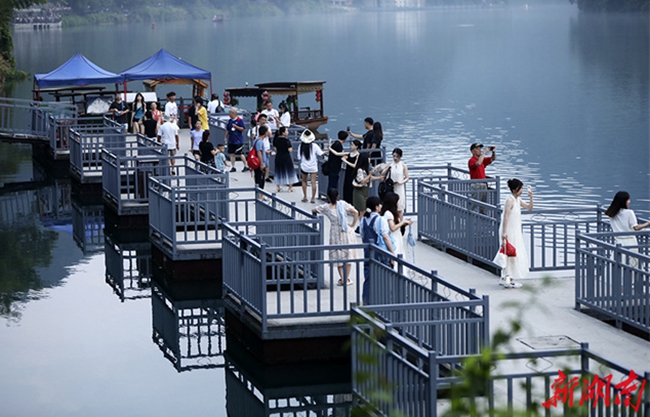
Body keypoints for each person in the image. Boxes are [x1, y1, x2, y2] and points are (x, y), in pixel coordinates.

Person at [312, 188, 359, 286]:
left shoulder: (326, 207)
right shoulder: (343, 204)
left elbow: (314, 209)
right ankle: (346, 279)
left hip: (334, 232)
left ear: (328, 197)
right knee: (348, 255)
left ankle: (342, 278)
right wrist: (353, 224)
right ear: (338, 196)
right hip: (346, 230)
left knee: (339, 255)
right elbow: (356, 212)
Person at [495, 178, 534, 288]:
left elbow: (529, 208)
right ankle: (508, 279)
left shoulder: (518, 200)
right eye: (520, 188)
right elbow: (506, 217)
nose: (522, 190)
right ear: (516, 189)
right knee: (509, 254)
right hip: (509, 231)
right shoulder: (510, 200)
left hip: (515, 231)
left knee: (512, 254)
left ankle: (507, 279)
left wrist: (531, 197)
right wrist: (504, 232)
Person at [360, 196, 395, 305]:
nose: (381, 206)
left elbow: (362, 236)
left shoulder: (364, 220)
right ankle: (383, 301)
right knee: (383, 277)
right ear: (376, 206)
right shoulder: (380, 220)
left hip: (368, 251)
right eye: (379, 204)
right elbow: (386, 237)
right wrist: (392, 253)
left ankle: (366, 302)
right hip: (380, 252)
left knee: (368, 278)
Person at [604, 191, 650, 267]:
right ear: (623, 201)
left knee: (617, 263)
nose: (629, 202)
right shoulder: (629, 212)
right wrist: (648, 223)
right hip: (630, 241)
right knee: (632, 264)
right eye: (628, 200)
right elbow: (636, 227)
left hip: (618, 241)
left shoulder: (612, 213)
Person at [381, 192, 412, 260]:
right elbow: (392, 228)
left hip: (397, 236)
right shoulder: (388, 213)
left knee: (400, 253)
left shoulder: (392, 213)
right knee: (397, 254)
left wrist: (404, 224)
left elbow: (395, 225)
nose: (398, 203)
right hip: (394, 238)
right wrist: (403, 222)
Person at [468, 143, 497, 212]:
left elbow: (492, 159)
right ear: (473, 151)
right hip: (476, 184)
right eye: (477, 149)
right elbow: (478, 163)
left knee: (483, 205)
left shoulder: (482, 160)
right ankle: (472, 220)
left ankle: (482, 221)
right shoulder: (471, 160)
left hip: (483, 184)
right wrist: (484, 153)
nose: (480, 150)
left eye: (480, 149)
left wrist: (493, 152)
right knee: (474, 205)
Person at [298, 129, 324, 204]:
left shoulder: (301, 146)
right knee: (313, 182)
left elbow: (299, 157)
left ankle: (305, 196)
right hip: (313, 166)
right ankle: (313, 198)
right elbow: (320, 153)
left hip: (304, 166)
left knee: (304, 181)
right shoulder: (315, 146)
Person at [382, 148, 409, 216]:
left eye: (397, 156)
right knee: (391, 206)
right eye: (394, 156)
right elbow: (383, 174)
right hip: (391, 187)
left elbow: (407, 177)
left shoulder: (403, 165)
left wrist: (401, 182)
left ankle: (401, 223)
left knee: (400, 207)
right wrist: (387, 167)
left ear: (400, 156)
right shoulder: (390, 164)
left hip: (399, 187)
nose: (395, 158)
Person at [352, 152, 377, 216]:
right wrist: (370, 175)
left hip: (365, 192)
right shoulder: (360, 170)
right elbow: (362, 181)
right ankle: (362, 224)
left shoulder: (367, 168)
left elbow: (370, 178)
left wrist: (379, 177)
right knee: (362, 210)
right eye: (369, 158)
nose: (370, 159)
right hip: (359, 192)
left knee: (365, 209)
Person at [272, 126, 296, 192]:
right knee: (289, 171)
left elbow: (275, 149)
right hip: (286, 156)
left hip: (278, 156)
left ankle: (278, 186)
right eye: (286, 131)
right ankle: (290, 187)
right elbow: (290, 150)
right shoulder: (286, 141)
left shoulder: (276, 140)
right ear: (283, 133)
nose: (287, 132)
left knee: (278, 171)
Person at [327, 130, 348, 194]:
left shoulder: (335, 143)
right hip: (335, 168)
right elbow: (339, 155)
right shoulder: (338, 145)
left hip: (331, 167)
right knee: (333, 184)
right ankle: (332, 197)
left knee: (331, 183)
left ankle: (330, 197)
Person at [341, 139, 361, 205]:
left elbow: (354, 165)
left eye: (352, 145)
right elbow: (339, 154)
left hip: (353, 173)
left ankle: (352, 203)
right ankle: (346, 202)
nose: (351, 146)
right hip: (348, 172)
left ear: (356, 146)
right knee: (346, 187)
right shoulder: (350, 154)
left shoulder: (358, 155)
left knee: (351, 188)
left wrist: (345, 161)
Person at [252, 126, 267, 200]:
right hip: (258, 163)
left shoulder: (256, 140)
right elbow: (259, 152)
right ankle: (260, 196)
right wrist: (261, 163)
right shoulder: (259, 141)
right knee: (260, 179)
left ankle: (260, 195)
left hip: (256, 162)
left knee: (258, 178)